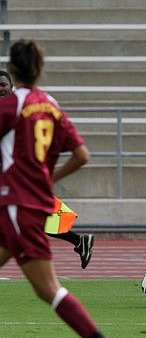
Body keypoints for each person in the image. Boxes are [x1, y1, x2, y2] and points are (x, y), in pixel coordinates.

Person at [0, 40, 130, 338]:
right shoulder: (52, 106)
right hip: (26, 203)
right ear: (40, 69)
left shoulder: (12, 106)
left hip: (16, 206)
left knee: (49, 290)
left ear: (11, 70)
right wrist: (47, 177)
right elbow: (83, 155)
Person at [0, 69, 94, 269]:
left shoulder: (15, 109)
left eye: (3, 85)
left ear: (12, 85)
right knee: (34, 221)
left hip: (18, 180)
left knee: (29, 223)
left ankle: (76, 243)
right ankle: (78, 242)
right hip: (21, 179)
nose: (0, 89)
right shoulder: (42, 104)